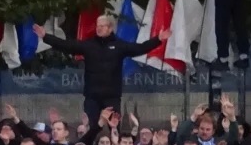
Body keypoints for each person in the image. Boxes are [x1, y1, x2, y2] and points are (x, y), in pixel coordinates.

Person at [34, 16, 168, 125]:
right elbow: (67, 46)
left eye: (102, 26)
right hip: (92, 97)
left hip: (111, 97)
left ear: (110, 28)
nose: (98, 28)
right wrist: (46, 36)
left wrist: (158, 39)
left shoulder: (119, 45)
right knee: (92, 128)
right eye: (97, 25)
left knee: (112, 128)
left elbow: (140, 48)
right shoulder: (89, 45)